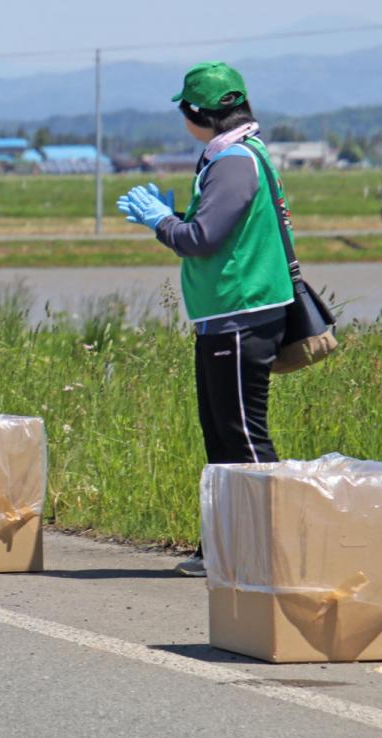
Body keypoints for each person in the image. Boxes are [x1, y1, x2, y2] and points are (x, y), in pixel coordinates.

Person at [116, 61, 294, 577]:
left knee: (242, 436)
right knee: (220, 437)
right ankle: (223, 547)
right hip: (224, 317)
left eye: (186, 113)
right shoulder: (232, 154)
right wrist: (176, 218)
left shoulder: (235, 161)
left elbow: (202, 239)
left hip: (242, 315)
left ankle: (272, 552)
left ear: (199, 113)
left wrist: (162, 222)